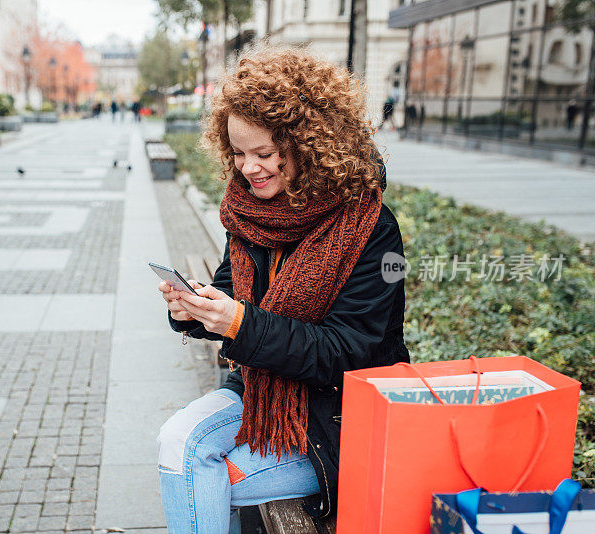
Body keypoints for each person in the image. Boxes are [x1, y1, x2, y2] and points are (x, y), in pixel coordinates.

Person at [156, 45, 409, 533]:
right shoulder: (249, 211)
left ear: (310, 144)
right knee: (176, 442)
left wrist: (239, 323)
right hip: (259, 392)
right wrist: (194, 308)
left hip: (337, 417)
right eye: (237, 153)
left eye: (264, 154)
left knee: (198, 475)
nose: (248, 168)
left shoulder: (372, 228)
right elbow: (231, 290)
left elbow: (352, 350)